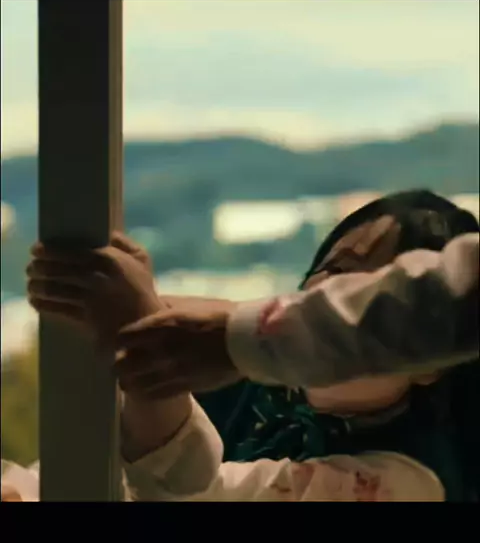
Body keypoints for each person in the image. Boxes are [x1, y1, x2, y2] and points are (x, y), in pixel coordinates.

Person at [26, 190, 479, 501]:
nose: (334, 299)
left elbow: (200, 497)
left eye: (367, 296)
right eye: (336, 270)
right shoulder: (254, 379)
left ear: (432, 361)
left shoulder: (411, 482)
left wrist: (140, 326)